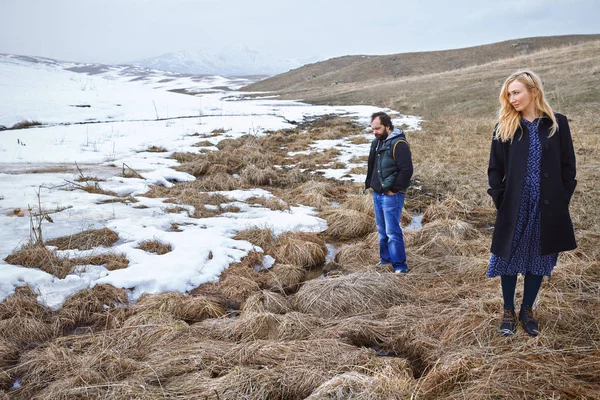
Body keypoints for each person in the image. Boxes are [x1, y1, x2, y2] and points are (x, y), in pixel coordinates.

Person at [487, 70, 577, 336]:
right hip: (514, 205)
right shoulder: (505, 125)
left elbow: (567, 166)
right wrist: (500, 197)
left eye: (516, 92)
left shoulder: (556, 124)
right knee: (509, 257)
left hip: (547, 206)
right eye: (509, 94)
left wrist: (562, 199)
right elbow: (495, 168)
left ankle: (527, 310)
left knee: (539, 257)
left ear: (533, 91)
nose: (512, 99)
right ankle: (507, 311)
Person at [365, 111, 413, 273]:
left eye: (377, 128)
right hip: (378, 193)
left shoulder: (399, 144)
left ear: (387, 126)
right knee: (382, 230)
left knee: (392, 231)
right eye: (372, 129)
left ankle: (400, 266)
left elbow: (406, 171)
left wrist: (394, 189)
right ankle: (385, 261)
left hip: (391, 194)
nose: (375, 132)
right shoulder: (377, 142)